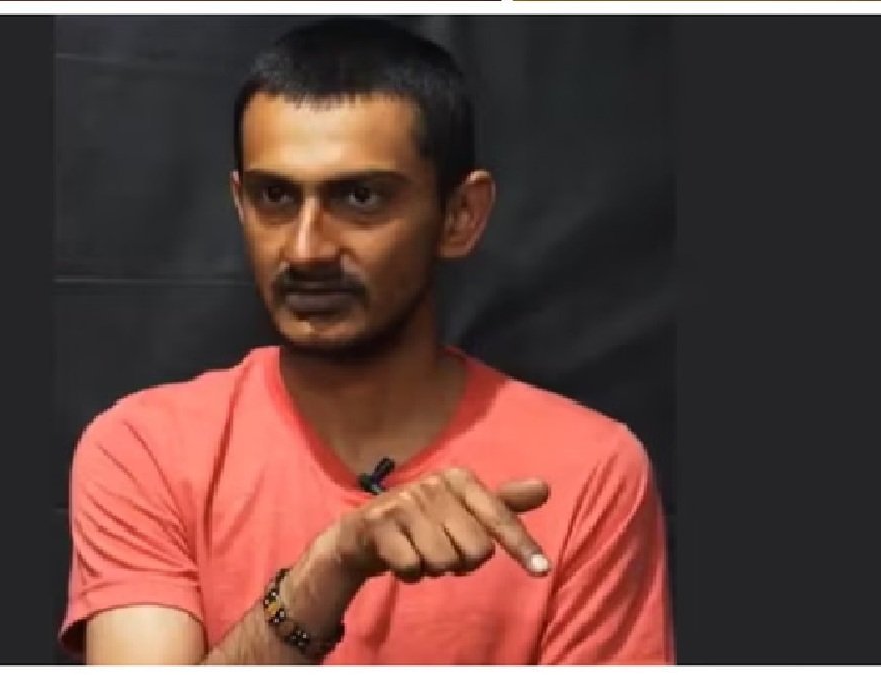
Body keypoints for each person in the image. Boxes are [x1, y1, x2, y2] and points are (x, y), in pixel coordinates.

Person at [59, 16, 674, 665]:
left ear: (459, 215)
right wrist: (328, 572)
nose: (306, 249)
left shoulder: (587, 469)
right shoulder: (146, 450)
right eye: (275, 196)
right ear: (240, 204)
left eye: (360, 197)